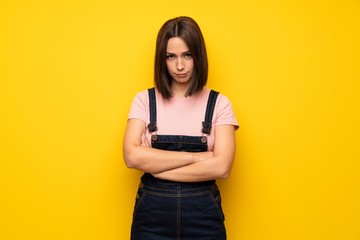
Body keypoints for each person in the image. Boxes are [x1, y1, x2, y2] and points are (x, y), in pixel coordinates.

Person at [123, 16, 239, 240]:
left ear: (198, 55)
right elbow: (131, 157)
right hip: (151, 222)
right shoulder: (144, 100)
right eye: (171, 56)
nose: (179, 66)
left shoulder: (219, 103)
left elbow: (222, 167)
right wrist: (197, 158)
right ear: (162, 59)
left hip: (203, 220)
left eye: (187, 55)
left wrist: (157, 167)